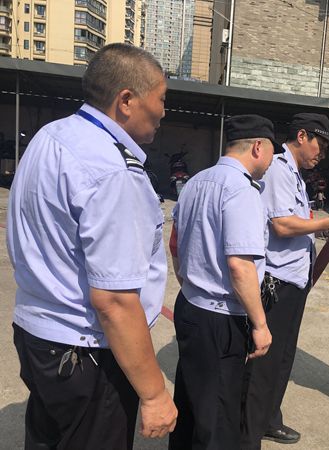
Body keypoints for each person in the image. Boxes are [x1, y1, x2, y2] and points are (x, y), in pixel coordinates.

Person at [6, 43, 177, 450]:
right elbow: (114, 301)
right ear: (127, 101)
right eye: (161, 99)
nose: (164, 112)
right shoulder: (113, 170)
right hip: (86, 352)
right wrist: (154, 394)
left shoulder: (52, 136)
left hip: (37, 335)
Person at [168, 115, 283, 450]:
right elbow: (240, 265)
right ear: (258, 147)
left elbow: (176, 244)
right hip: (220, 317)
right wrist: (260, 324)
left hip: (191, 306)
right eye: (272, 153)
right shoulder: (241, 190)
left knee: (191, 402)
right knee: (218, 416)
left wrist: (189, 281)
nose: (271, 162)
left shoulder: (195, 182)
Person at [241, 113, 329, 449]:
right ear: (302, 136)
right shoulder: (278, 169)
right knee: (265, 364)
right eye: (321, 144)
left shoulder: (295, 175)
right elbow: (282, 224)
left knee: (283, 358)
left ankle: (268, 419)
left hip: (293, 280)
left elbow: (299, 223)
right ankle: (248, 433)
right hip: (276, 282)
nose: (323, 153)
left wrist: (327, 230)